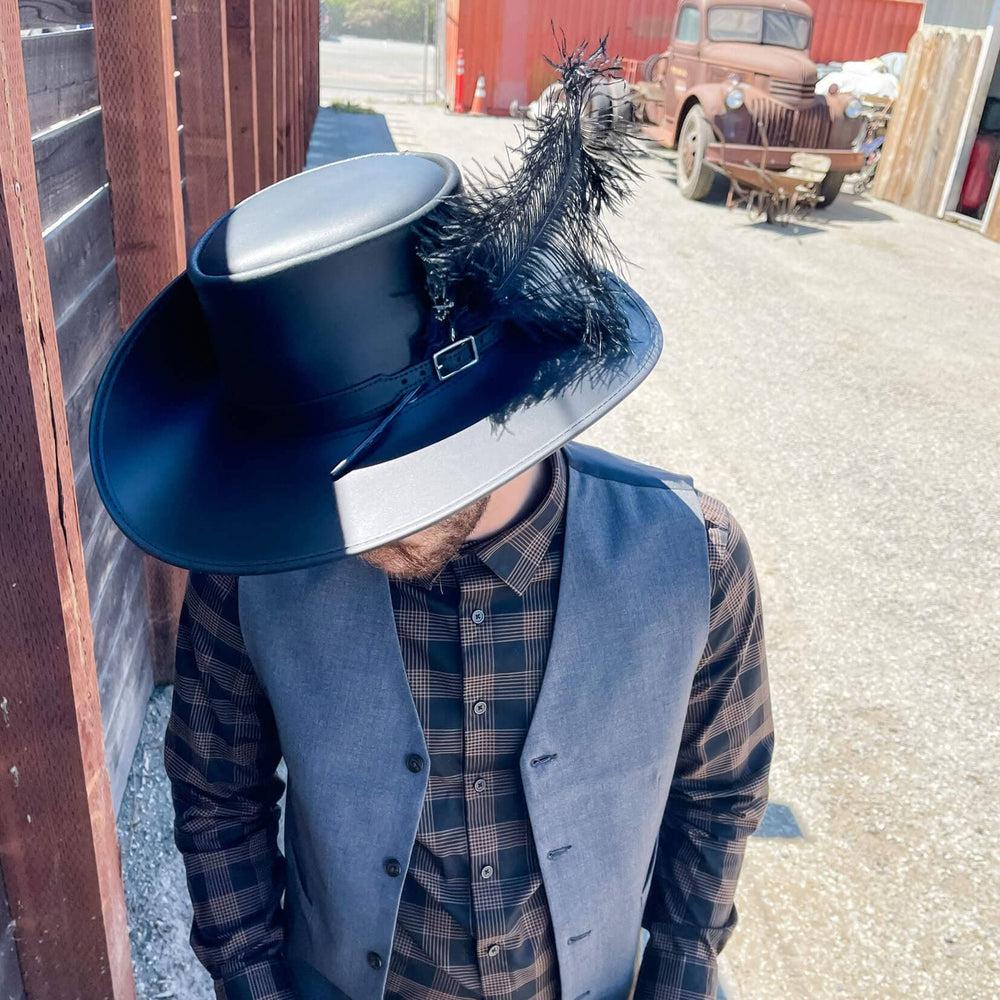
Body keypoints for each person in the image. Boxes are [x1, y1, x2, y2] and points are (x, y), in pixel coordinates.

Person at [90, 44, 773, 1000]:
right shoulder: (252, 572)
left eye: (378, 488)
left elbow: (720, 791)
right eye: (312, 490)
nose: (346, 534)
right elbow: (215, 795)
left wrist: (682, 970)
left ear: (467, 415)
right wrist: (249, 982)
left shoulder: (689, 556)